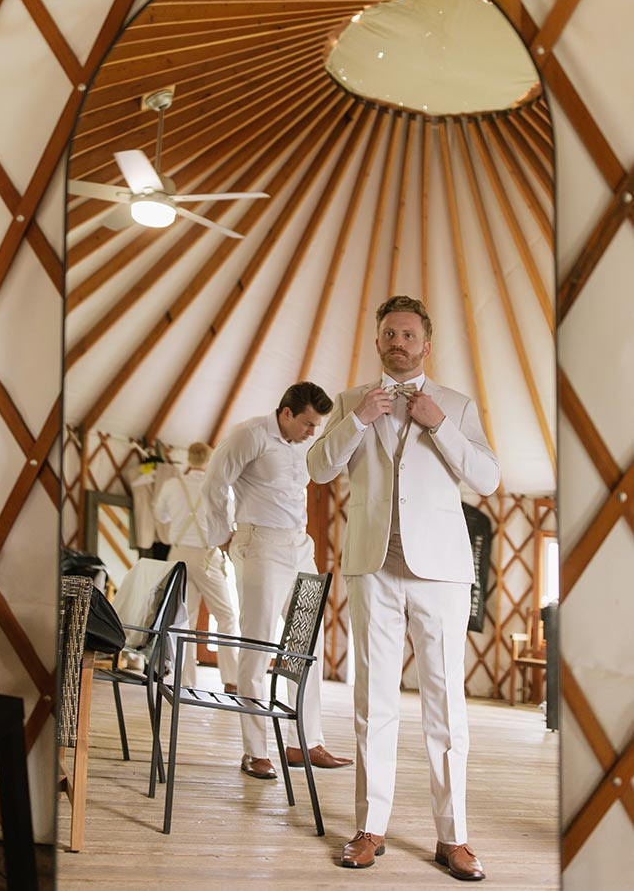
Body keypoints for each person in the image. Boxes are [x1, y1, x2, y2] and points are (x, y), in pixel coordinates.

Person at [307, 296, 501, 881]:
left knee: (446, 706)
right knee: (373, 702)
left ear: (426, 344)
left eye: (409, 334)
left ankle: (454, 837)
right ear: (377, 342)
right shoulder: (349, 403)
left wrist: (438, 424)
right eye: (389, 332)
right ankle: (370, 827)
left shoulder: (458, 406)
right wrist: (359, 418)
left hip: (439, 571)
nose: (398, 341)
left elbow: (488, 479)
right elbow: (317, 468)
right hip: (373, 567)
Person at [202, 382, 353, 780]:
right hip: (260, 544)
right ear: (286, 413)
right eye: (307, 424)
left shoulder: (305, 443)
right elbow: (214, 483)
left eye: (317, 426)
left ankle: (304, 741)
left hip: (299, 545)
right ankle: (254, 751)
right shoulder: (248, 435)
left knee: (308, 642)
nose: (312, 432)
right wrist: (222, 535)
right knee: (258, 644)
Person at [154, 442, 239, 691]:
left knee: (184, 619)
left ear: (188, 458)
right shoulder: (218, 487)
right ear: (210, 460)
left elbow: (161, 516)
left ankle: (184, 680)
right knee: (226, 616)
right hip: (206, 555)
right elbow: (228, 522)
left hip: (177, 554)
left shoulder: (171, 485)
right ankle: (231, 679)